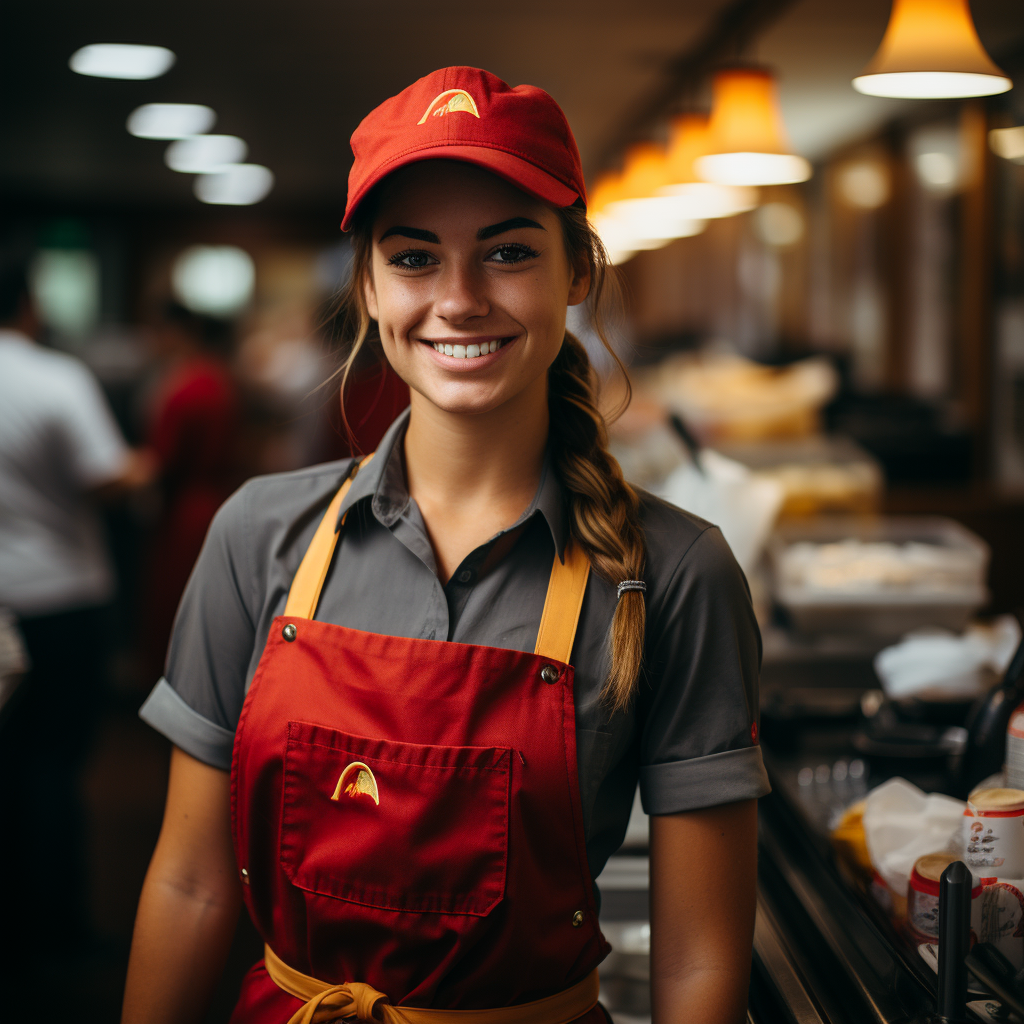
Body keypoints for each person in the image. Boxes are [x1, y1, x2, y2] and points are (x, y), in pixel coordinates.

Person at [124, 67, 768, 1024]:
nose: (459, 300)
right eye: (415, 258)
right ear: (371, 286)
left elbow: (699, 963)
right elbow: (190, 886)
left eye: (508, 253)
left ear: (578, 271)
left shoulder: (672, 574)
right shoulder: (257, 537)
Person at [0, 263, 153, 995]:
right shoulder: (53, 378)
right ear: (27, 304)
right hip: (58, 596)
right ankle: (55, 932)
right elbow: (103, 475)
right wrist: (145, 465)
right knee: (53, 767)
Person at [140, 302, 240, 681]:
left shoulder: (185, 387)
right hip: (214, 499)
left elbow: (164, 460)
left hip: (184, 511)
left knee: (176, 607)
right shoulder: (217, 377)